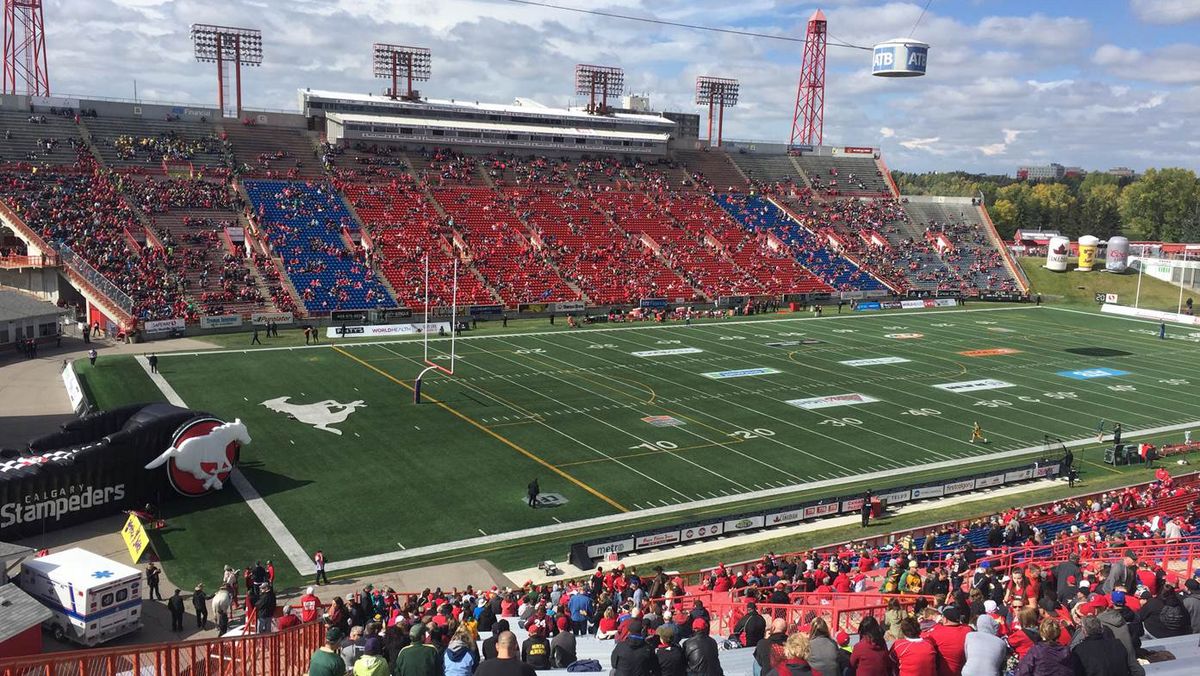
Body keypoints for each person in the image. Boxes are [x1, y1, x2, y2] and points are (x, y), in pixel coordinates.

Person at [925, 605, 971, 676]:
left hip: (946, 672)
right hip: (966, 671)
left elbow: (920, 638)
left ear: (945, 619)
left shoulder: (938, 632)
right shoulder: (968, 630)